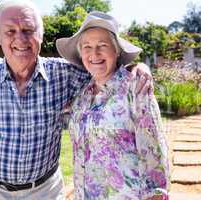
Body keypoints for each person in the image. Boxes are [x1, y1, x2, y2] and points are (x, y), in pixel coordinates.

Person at [0, 1, 152, 200]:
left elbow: (103, 66)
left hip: (46, 191)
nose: (20, 39)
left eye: (28, 29)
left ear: (41, 34)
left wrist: (137, 67)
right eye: (10, 31)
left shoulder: (65, 74)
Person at [56, 11, 169, 200]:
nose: (94, 53)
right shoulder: (82, 96)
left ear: (116, 51)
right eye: (87, 46)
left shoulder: (136, 88)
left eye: (102, 45)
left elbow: (154, 158)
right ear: (80, 52)